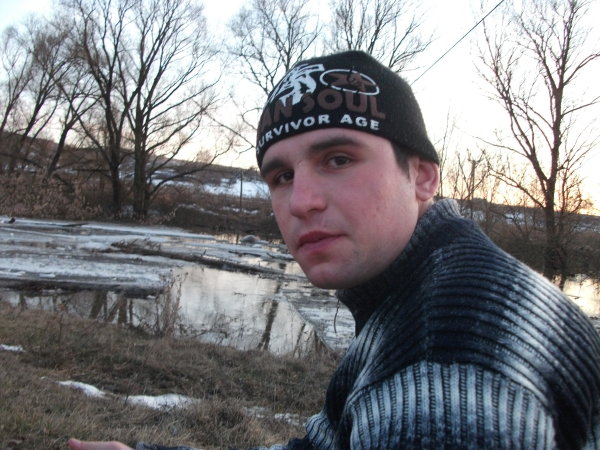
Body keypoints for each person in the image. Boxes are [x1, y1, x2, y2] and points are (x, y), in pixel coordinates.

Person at [70, 51, 600, 449]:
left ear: (422, 176)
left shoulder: (440, 362)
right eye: (281, 176)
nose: (301, 201)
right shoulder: (428, 285)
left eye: (339, 159)